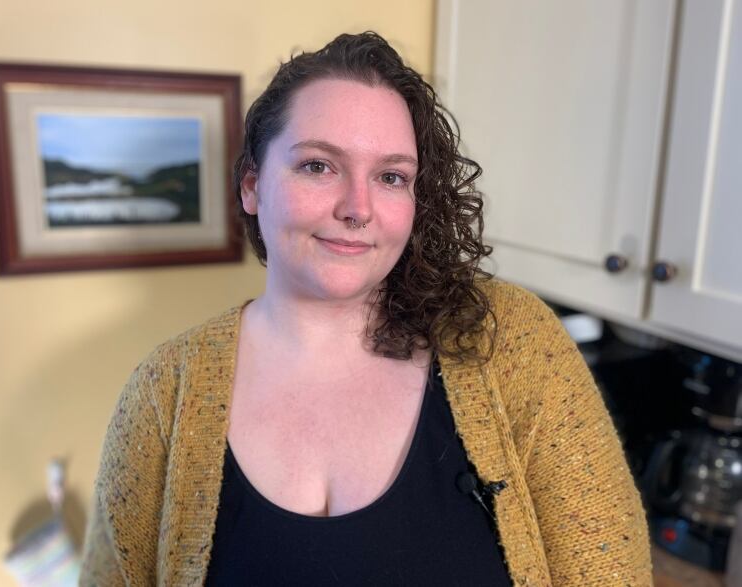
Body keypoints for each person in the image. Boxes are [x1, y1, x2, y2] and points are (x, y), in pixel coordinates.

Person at [80, 32, 652, 586]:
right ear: (252, 186)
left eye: (390, 176)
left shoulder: (509, 342)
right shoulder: (165, 392)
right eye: (317, 166)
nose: (358, 207)